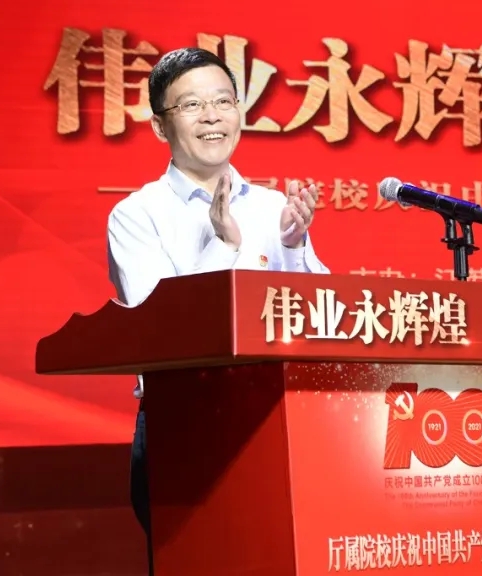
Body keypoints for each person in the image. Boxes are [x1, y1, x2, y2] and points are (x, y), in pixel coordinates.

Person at [106, 47, 329, 574]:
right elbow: (159, 327)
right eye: (191, 105)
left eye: (223, 101)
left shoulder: (274, 208)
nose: (211, 116)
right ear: (160, 126)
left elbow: (324, 318)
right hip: (184, 425)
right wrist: (223, 247)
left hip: (281, 419)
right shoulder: (136, 215)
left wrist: (294, 248)